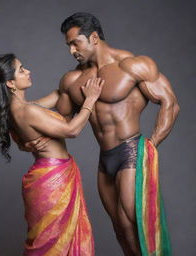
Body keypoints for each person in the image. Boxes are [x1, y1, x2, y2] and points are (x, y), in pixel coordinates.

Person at [25, 13, 180, 256]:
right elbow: (62, 120)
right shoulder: (73, 80)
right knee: (120, 229)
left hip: (131, 150)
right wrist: (27, 122)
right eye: (68, 45)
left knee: (130, 219)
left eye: (76, 43)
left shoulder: (132, 65)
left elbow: (170, 103)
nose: (72, 50)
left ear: (94, 37)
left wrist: (152, 146)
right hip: (104, 160)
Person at [0, 53, 104, 256]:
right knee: (52, 245)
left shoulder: (18, 110)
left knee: (50, 242)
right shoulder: (27, 111)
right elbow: (72, 130)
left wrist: (79, 73)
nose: (28, 71)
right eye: (22, 69)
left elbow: (59, 94)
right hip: (53, 181)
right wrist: (90, 100)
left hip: (46, 176)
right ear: (11, 83)